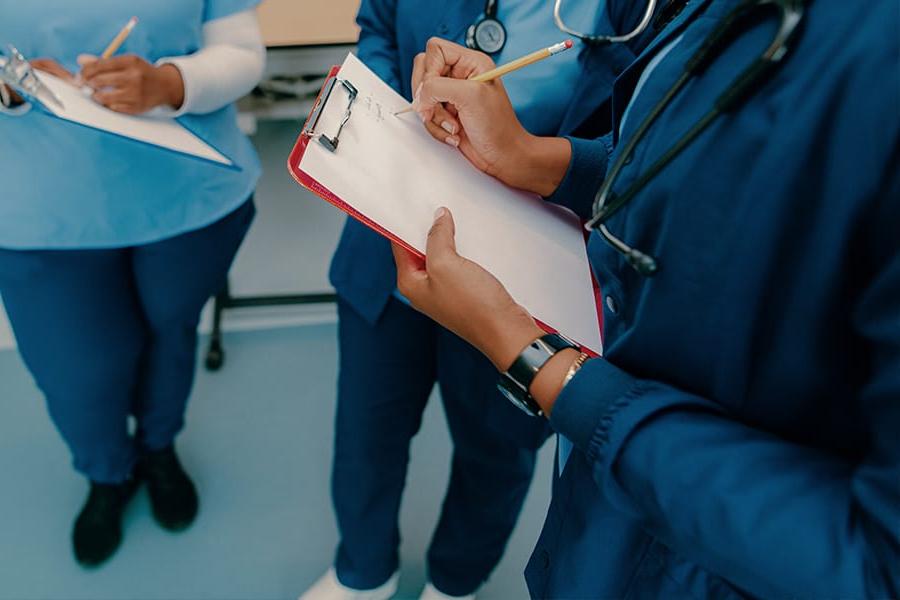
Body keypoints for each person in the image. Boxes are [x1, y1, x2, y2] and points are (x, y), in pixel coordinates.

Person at [396, 0, 900, 597]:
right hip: (611, 517)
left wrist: (538, 360)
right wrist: (533, 159)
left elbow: (875, 569)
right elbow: (691, 150)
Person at [305, 1, 661, 599]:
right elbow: (379, 30)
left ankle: (454, 582)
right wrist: (393, 113)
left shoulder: (642, 12)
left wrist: (534, 157)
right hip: (389, 224)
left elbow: (645, 140)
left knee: (496, 448)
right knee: (367, 424)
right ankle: (363, 574)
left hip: (527, 256)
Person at [0, 0, 264, 567]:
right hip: (38, 206)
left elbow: (242, 52)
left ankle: (159, 449)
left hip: (187, 195)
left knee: (171, 335)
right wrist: (9, 88)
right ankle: (106, 473)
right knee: (76, 371)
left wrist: (171, 82)